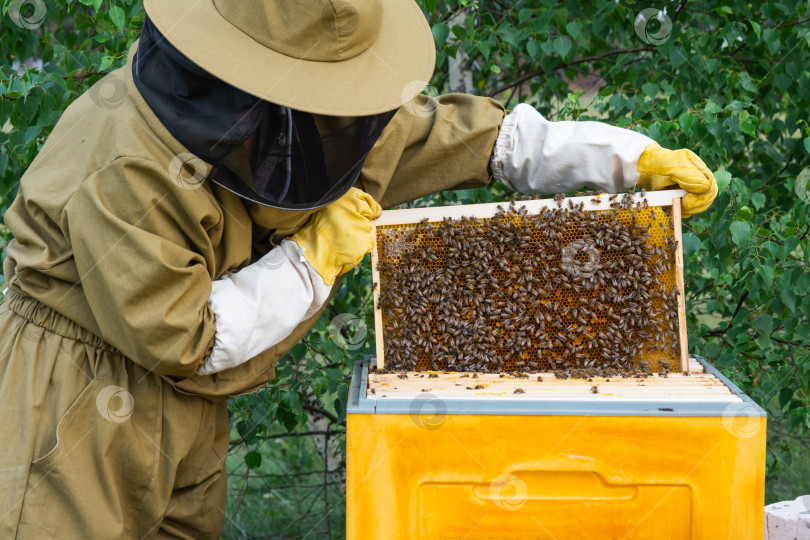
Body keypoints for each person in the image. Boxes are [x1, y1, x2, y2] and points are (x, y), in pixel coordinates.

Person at [0, 0, 717, 537]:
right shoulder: (126, 157)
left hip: (190, 408)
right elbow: (186, 337)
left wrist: (622, 158)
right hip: (80, 396)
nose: (348, 123)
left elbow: (447, 135)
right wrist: (313, 260)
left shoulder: (321, 114)